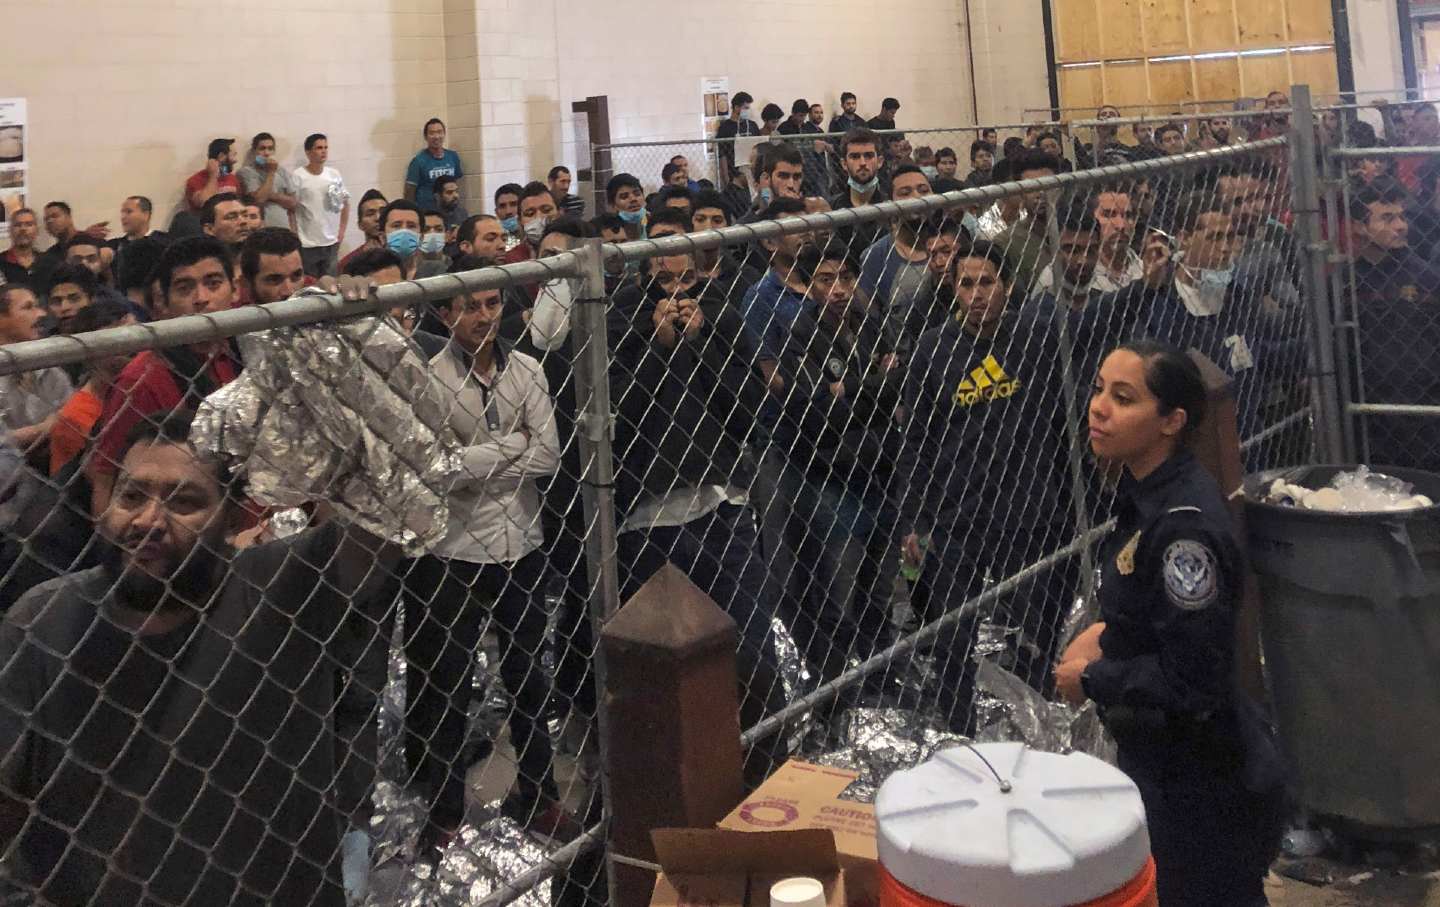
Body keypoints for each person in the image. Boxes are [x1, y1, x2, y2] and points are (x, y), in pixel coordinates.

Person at [0, 405, 407, 905]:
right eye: (132, 495)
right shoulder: (44, 622)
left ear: (231, 517)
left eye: (183, 501)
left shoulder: (282, 588)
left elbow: (398, 504)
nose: (148, 520)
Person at [1057, 340, 1284, 906]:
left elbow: (1192, 679)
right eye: (1099, 389)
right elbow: (1148, 614)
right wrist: (1107, 633)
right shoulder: (1144, 493)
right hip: (1164, 760)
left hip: (1198, 775)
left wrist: (1091, 679)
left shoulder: (1185, 531)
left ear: (1171, 422)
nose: (1099, 407)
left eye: (1124, 397)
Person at [607, 230, 788, 782]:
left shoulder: (722, 316)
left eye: (681, 250)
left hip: (724, 503)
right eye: (659, 248)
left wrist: (700, 343)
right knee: (667, 662)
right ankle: (676, 778)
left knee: (752, 649)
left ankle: (767, 765)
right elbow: (619, 415)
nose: (672, 263)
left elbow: (746, 409)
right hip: (650, 516)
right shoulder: (617, 320)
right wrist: (657, 348)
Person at [403, 281, 578, 851]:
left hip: (521, 546)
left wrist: (473, 459)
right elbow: (435, 468)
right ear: (446, 312)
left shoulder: (526, 368)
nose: (483, 316)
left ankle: (539, 795)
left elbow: (549, 454)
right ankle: (446, 809)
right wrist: (512, 449)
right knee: (450, 690)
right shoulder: (429, 377)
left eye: (492, 304)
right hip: (455, 554)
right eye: (470, 306)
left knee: (529, 682)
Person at [896, 240, 1073, 732]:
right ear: (952, 289)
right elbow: (916, 441)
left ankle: (1037, 726)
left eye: (987, 282)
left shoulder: (1033, 336)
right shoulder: (933, 349)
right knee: (954, 636)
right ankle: (959, 730)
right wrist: (913, 520)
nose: (977, 294)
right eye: (966, 284)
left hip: (1026, 509)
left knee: (1035, 630)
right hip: (956, 518)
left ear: (1007, 286)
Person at [765, 243, 902, 719]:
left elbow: (897, 383)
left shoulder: (871, 323)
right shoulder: (797, 333)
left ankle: (882, 676)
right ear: (809, 286)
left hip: (879, 466)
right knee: (835, 589)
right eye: (826, 280)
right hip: (827, 472)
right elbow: (809, 407)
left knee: (878, 585)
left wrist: (850, 391)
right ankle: (835, 690)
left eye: (846, 277)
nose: (839, 289)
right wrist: (870, 388)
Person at [89, 237, 241, 512]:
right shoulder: (142, 380)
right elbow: (105, 480)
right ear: (165, 304)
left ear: (235, 291)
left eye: (213, 283)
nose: (201, 299)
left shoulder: (238, 352)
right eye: (185, 288)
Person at [1346, 178, 1440, 470]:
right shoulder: (1344, 281)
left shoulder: (1426, 277)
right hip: (1368, 408)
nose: (1400, 226)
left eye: (1401, 216)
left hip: (1425, 403)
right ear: (1360, 226)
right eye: (1387, 218)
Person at [48, 299, 134, 475]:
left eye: (135, 334)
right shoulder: (75, 417)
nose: (133, 345)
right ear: (90, 353)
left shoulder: (147, 386)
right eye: (116, 338)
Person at [741, 196, 813, 392]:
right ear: (770, 242)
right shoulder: (761, 295)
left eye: (808, 224)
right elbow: (770, 374)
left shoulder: (825, 281)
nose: (806, 232)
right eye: (793, 227)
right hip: (798, 406)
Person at [0, 284, 72, 457]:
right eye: (28, 307)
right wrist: (41, 430)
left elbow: (71, 416)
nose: (41, 314)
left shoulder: (47, 366)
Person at [857, 165, 936, 313]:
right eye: (905, 193)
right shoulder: (875, 256)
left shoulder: (952, 240)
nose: (917, 197)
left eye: (924, 191)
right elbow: (870, 319)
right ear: (890, 204)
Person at [992, 150, 1062, 293]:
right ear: (1021, 193)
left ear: (1060, 188)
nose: (1041, 194)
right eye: (1032, 188)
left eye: (1048, 185)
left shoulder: (1077, 231)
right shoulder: (1006, 243)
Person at [690, 189, 762, 312]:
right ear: (690, 225)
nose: (708, 228)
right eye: (700, 219)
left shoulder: (746, 276)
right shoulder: (677, 277)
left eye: (717, 221)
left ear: (727, 228)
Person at [293, 133, 350, 277]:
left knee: (331, 283)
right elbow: (291, 209)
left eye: (326, 147)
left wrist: (341, 232)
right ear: (308, 152)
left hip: (331, 241)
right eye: (319, 148)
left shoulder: (334, 174)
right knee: (311, 283)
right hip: (308, 243)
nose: (323, 151)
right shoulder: (298, 176)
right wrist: (295, 235)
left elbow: (345, 203)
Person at [828, 127, 889, 252]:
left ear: (880, 161)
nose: (862, 163)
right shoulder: (830, 208)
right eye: (855, 157)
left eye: (869, 156)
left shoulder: (892, 207)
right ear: (844, 164)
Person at [237, 132, 299, 230]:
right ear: (254, 151)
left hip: (284, 228)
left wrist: (270, 195)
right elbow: (259, 199)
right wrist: (271, 173)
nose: (266, 153)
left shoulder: (282, 171)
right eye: (262, 148)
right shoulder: (246, 172)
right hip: (262, 230)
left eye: (270, 148)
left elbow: (293, 203)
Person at [405, 117, 463, 209]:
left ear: (444, 134)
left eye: (439, 132)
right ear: (426, 137)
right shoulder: (418, 161)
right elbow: (409, 191)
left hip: (449, 210)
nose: (436, 137)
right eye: (432, 133)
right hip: (427, 211)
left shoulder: (453, 156)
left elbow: (456, 183)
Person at [503, 182, 559, 270]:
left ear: (559, 214)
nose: (539, 218)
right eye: (530, 214)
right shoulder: (512, 260)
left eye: (546, 210)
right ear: (520, 222)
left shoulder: (575, 245)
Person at [1, 209, 54, 290]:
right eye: (17, 225)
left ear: (37, 230)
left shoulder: (50, 263)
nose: (23, 229)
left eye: (29, 224)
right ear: (10, 230)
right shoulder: (1, 262)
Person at [716, 90, 761, 185]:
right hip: (734, 174)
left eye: (749, 108)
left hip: (752, 171)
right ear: (736, 107)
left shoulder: (752, 125)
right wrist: (726, 177)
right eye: (746, 108)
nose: (748, 111)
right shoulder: (725, 127)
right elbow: (722, 154)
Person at [338, 189, 388, 274]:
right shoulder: (347, 263)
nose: (378, 218)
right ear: (360, 225)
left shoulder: (403, 255)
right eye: (370, 214)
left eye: (383, 212)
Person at [185, 137, 241, 212]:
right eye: (233, 155)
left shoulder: (232, 178)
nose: (235, 160)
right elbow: (204, 203)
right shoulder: (195, 180)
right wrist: (213, 177)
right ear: (221, 156)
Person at [44, 263, 96, 334]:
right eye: (56, 301)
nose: (65, 308)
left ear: (92, 300)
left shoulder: (111, 333)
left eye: (74, 299)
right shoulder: (42, 343)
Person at [200, 193, 252, 259]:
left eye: (245, 215)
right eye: (232, 217)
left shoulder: (262, 262)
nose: (243, 221)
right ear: (209, 229)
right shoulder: (200, 267)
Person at [607, 173, 648, 238]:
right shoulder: (607, 232)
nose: (633, 199)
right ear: (613, 205)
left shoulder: (655, 222)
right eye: (624, 197)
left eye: (637, 194)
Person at [495, 182, 524, 250]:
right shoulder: (496, 244)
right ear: (496, 212)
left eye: (514, 204)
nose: (508, 211)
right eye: (502, 206)